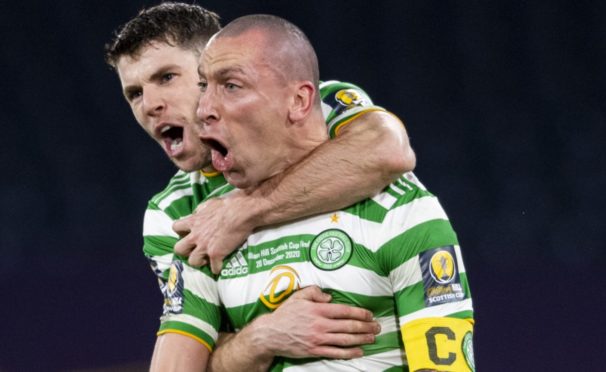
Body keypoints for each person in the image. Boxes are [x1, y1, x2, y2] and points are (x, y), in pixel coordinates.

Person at [104, 3, 415, 371]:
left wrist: (245, 211)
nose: (151, 105)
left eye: (167, 77)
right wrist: (263, 337)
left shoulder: (317, 105)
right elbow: (191, 362)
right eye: (134, 93)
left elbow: (388, 150)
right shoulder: (171, 213)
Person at [194, 14, 475, 371]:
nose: (203, 110)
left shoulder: (401, 211)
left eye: (231, 86)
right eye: (204, 86)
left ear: (298, 101)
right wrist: (258, 340)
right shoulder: (209, 226)